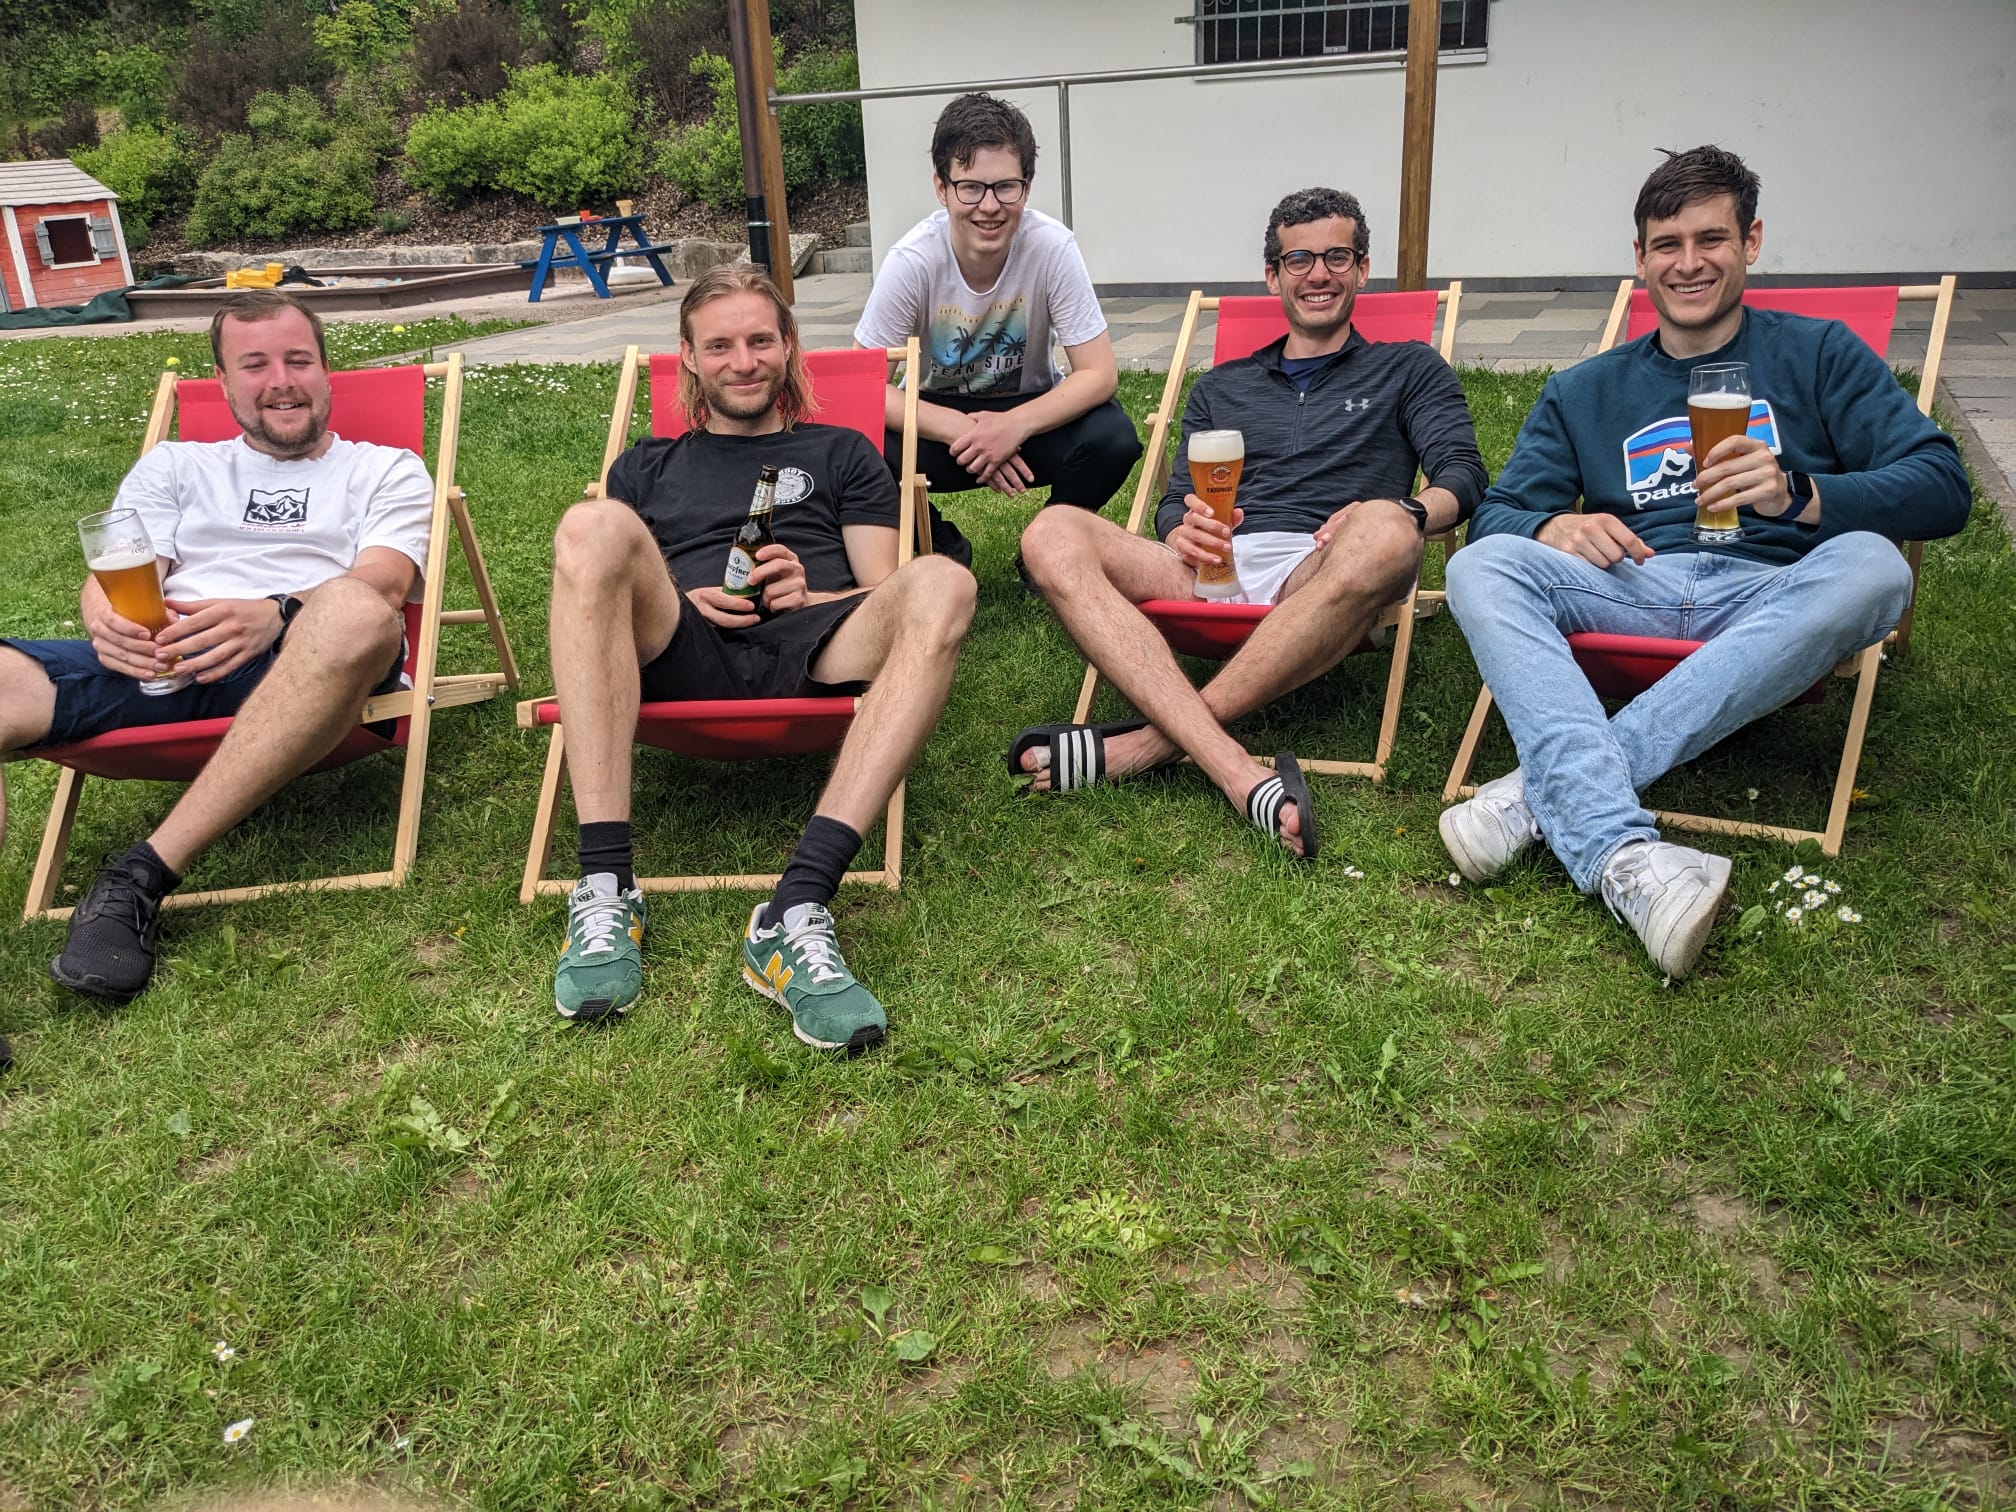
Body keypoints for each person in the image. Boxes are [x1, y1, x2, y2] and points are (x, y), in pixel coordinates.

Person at [1439, 145, 1971, 979]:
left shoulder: (1819, 354)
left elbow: (1943, 487)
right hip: (1630, 582)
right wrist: (1549, 527)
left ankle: (1541, 795)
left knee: (1875, 567)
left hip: (1771, 592)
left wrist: (1801, 494)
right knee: (1482, 568)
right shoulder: (1584, 390)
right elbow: (1496, 514)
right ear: (1640, 257)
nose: (1689, 263)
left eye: (1711, 239)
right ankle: (1623, 854)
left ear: (1750, 241)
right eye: (1668, 244)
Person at [545, 264, 977, 1049]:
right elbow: (612, 587)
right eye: (719, 346)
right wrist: (682, 595)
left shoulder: (843, 452)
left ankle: (794, 909)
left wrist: (810, 594)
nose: (742, 362)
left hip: (816, 645)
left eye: (759, 341)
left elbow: (884, 588)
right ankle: (605, 882)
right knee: (589, 526)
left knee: (944, 581)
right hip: (680, 646)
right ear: (689, 357)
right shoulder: (646, 466)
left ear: (788, 346)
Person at [1011, 187, 1486, 859]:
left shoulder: (1408, 368)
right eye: (1299, 259)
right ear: (1272, 274)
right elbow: (1175, 502)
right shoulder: (1221, 386)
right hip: (1213, 567)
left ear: (1362, 268)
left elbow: (1463, 476)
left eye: (1337, 257)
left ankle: (1145, 747)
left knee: (1387, 531)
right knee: (1051, 532)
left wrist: (1403, 511)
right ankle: (1227, 761)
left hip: (1323, 567)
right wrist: (1180, 530)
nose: (1318, 274)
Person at [0, 290, 431, 1002]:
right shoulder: (175, 466)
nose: (281, 381)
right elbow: (120, 571)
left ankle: (140, 876)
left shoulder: (384, 469)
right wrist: (104, 617)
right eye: (255, 365)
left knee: (355, 610)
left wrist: (277, 613)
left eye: (299, 360)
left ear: (326, 371)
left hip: (304, 665)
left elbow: (383, 583)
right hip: (165, 661)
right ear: (224, 382)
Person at [853, 92, 1142, 565]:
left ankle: (1048, 553)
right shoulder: (912, 261)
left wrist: (1012, 426)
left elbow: (1099, 373)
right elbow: (862, 388)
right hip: (935, 419)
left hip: (1029, 416)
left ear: (1026, 187)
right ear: (942, 187)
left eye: (1006, 186)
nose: (989, 206)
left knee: (1113, 436)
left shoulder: (1052, 249)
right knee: (853, 444)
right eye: (970, 187)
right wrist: (960, 429)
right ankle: (939, 545)